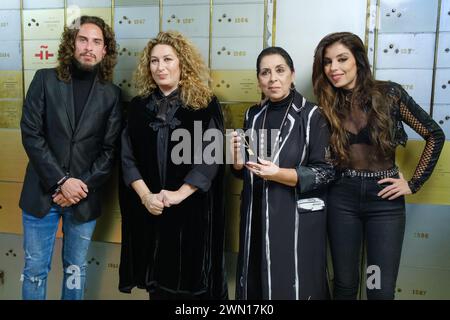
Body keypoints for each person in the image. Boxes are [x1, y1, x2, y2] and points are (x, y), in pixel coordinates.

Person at [312, 32, 445, 300]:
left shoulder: (389, 94)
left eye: (342, 59)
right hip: (342, 199)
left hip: (384, 203)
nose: (334, 68)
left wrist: (413, 183)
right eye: (327, 62)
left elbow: (434, 134)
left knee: (379, 289)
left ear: (358, 61)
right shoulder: (327, 104)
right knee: (345, 286)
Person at [118, 31, 228, 300]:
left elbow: (211, 156)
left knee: (192, 289)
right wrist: (146, 196)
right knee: (157, 286)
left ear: (182, 63)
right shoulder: (138, 106)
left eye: (168, 59)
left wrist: (179, 194)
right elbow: (127, 157)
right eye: (154, 61)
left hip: (190, 210)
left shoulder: (204, 104)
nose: (161, 67)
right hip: (151, 209)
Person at [19, 16, 122, 300]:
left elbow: (109, 151)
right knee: (35, 271)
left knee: (76, 270)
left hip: (83, 199)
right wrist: (61, 181)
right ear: (71, 44)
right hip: (41, 195)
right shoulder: (44, 79)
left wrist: (77, 188)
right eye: (83, 39)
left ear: (105, 50)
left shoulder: (112, 95)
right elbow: (31, 134)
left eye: (96, 42)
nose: (89, 47)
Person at [230, 47, 334, 300]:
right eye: (265, 73)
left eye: (279, 70)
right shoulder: (253, 115)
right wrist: (236, 161)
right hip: (256, 215)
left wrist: (278, 173)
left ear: (292, 74)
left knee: (292, 285)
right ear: (258, 80)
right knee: (256, 284)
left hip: (293, 216)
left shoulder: (313, 115)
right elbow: (245, 172)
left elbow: (326, 173)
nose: (272, 78)